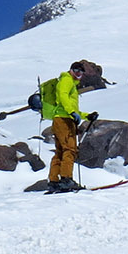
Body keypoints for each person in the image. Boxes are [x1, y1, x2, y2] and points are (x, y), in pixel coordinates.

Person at [43, 61, 98, 193]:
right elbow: (63, 97)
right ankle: (66, 179)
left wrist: (86, 116)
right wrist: (71, 113)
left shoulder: (69, 82)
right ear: (71, 70)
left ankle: (54, 181)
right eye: (76, 71)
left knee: (60, 151)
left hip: (62, 118)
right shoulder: (66, 80)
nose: (78, 74)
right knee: (70, 149)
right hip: (64, 120)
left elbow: (69, 107)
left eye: (81, 72)